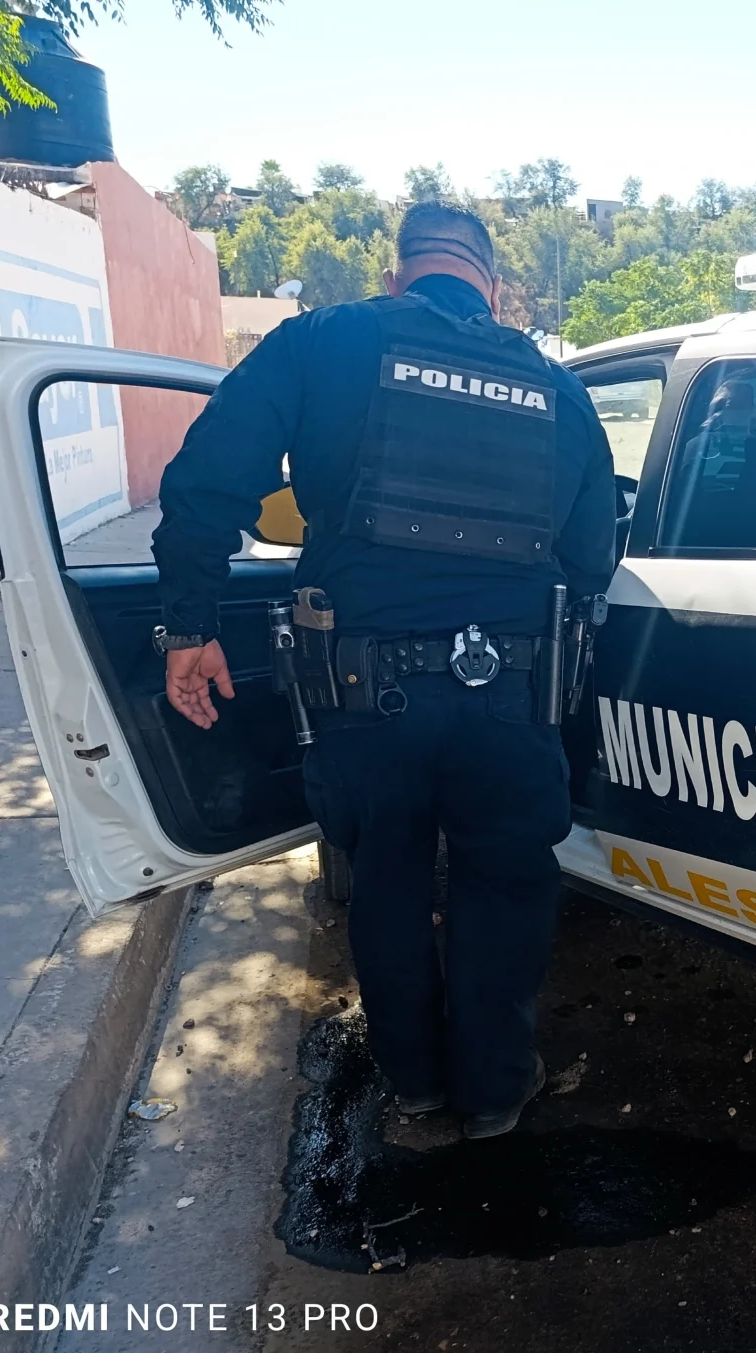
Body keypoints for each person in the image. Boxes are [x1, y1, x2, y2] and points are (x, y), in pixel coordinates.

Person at [149, 201, 616, 1139]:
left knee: (390, 875)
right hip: (510, 694)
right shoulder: (554, 386)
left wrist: (190, 625)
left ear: (398, 272)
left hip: (363, 694)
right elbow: (593, 553)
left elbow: (205, 481)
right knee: (504, 883)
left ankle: (413, 1085)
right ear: (491, 283)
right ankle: (492, 1093)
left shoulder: (326, 339)